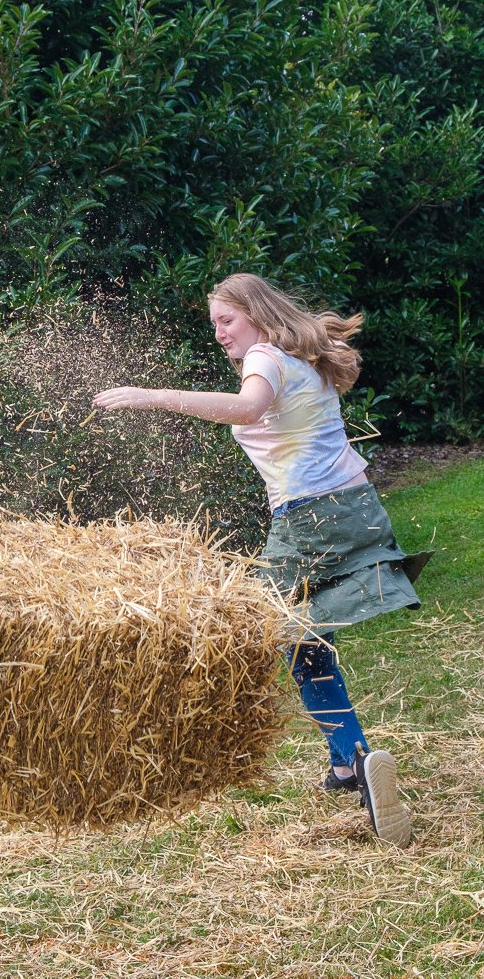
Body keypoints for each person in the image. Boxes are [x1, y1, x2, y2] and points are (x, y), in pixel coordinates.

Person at [93, 272, 431, 848]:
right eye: (215, 326)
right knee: (304, 640)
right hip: (357, 507)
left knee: (251, 630)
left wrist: (152, 396)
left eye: (227, 321)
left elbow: (248, 408)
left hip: (310, 519)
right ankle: (348, 763)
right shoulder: (302, 360)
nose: (220, 334)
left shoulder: (267, 358)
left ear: (257, 314)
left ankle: (345, 757)